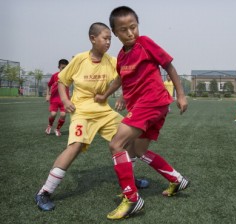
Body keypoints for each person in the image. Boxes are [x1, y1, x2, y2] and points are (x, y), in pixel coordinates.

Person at [34, 22, 148, 212]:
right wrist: (65, 99)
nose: (109, 42)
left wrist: (123, 95)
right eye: (105, 38)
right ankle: (44, 192)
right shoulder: (79, 59)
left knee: (129, 138)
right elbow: (62, 81)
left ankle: (130, 179)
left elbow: (125, 77)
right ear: (93, 39)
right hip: (82, 112)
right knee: (75, 147)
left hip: (104, 111)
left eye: (110, 39)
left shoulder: (112, 61)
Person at [94, 6, 189, 220]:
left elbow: (169, 66)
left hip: (151, 102)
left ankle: (132, 198)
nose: (130, 33)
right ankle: (176, 179)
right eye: (123, 30)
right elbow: (120, 79)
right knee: (137, 150)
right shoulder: (121, 55)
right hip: (148, 106)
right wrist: (106, 95)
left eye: (133, 27)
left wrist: (181, 95)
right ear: (115, 33)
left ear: (138, 26)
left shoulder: (144, 42)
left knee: (116, 144)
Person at [45, 59, 69, 136]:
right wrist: (48, 95)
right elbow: (49, 85)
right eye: (62, 68)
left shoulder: (69, 76)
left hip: (64, 99)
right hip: (54, 98)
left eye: (66, 68)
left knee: (63, 115)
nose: (64, 69)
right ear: (59, 67)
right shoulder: (55, 76)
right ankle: (49, 125)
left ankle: (57, 129)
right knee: (53, 114)